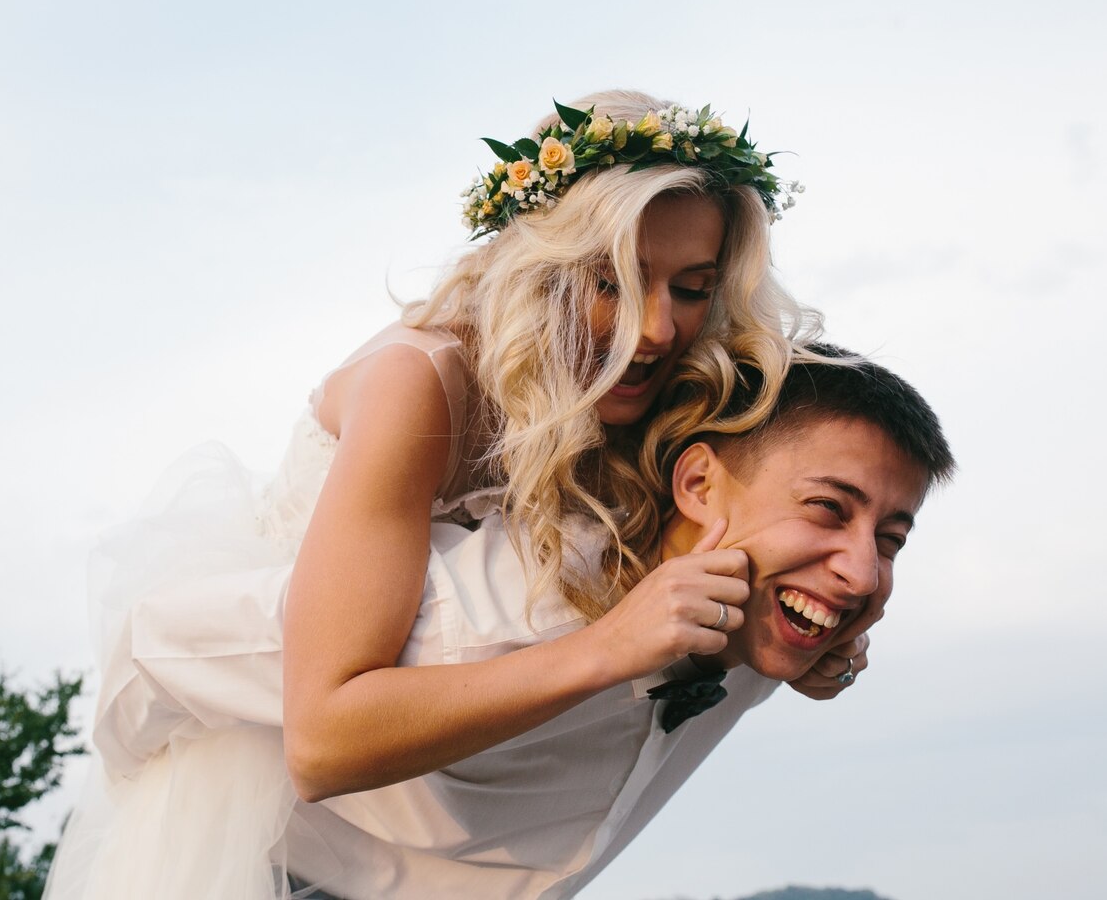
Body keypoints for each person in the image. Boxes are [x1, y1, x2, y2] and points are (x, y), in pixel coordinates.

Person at [43, 92, 867, 899]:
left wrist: (798, 629)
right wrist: (608, 647)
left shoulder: (658, 393)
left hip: (464, 823)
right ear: (541, 267)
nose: (657, 328)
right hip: (275, 813)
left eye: (690, 288)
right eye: (612, 280)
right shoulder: (422, 388)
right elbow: (323, 741)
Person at [283, 346, 954, 898]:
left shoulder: (764, 616)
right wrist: (604, 648)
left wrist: (827, 642)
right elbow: (270, 713)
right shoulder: (508, 600)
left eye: (890, 540)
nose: (863, 573)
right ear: (697, 486)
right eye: (828, 509)